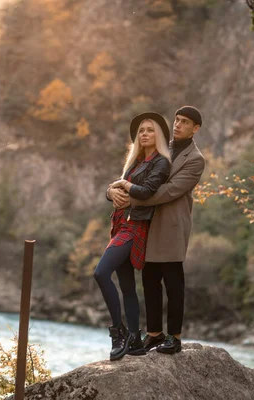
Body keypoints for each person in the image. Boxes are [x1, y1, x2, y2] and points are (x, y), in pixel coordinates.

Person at [107, 106, 205, 355]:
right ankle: (153, 334)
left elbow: (170, 190)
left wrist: (132, 199)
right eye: (177, 120)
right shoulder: (161, 147)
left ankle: (174, 337)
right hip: (146, 223)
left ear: (196, 129)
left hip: (171, 224)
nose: (178, 125)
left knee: (173, 282)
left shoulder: (195, 160)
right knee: (149, 280)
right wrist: (112, 192)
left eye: (185, 122)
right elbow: (134, 175)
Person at [95, 112, 172, 361]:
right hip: (120, 223)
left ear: (158, 134)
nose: (145, 133)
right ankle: (136, 340)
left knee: (101, 272)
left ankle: (118, 333)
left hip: (136, 226)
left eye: (150, 129)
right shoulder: (135, 161)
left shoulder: (161, 162)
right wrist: (110, 191)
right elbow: (115, 188)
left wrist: (124, 185)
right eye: (141, 130)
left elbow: (147, 190)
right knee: (127, 286)